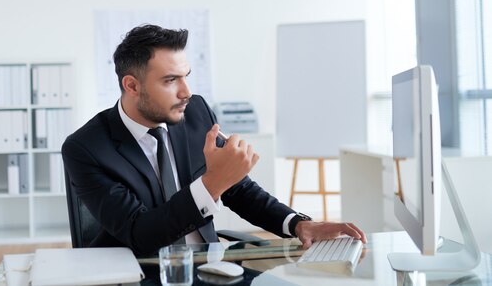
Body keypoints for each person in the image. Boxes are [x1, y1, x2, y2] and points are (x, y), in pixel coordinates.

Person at [62, 24, 366, 256]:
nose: (186, 92)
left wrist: (297, 223)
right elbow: (139, 232)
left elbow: (239, 189)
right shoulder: (86, 149)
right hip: (142, 271)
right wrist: (212, 184)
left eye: (186, 76)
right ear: (131, 85)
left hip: (208, 265)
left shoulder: (194, 112)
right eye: (170, 80)